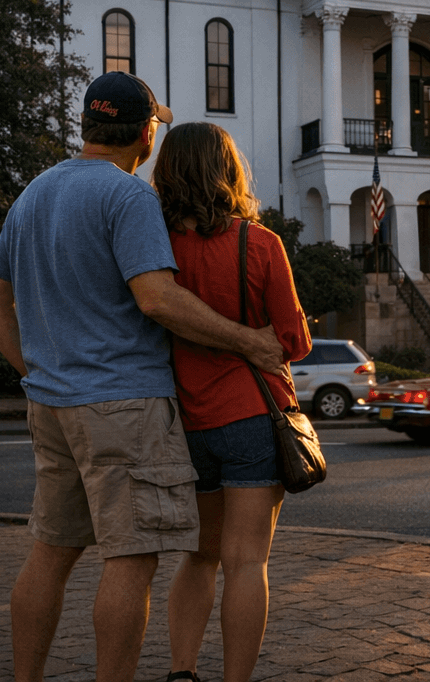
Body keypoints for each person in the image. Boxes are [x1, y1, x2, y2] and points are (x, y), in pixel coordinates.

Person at [0, 73, 286, 682]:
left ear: (87, 125)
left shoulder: (36, 191)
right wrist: (249, 340)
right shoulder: (128, 196)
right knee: (133, 558)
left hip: (51, 406)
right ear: (145, 132)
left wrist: (37, 370)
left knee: (50, 554)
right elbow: (157, 300)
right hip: (124, 405)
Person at [155, 122, 312, 682]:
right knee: (248, 562)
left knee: (198, 556)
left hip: (186, 422)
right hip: (252, 415)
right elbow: (293, 342)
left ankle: (180, 671)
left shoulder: (155, 250)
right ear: (229, 171)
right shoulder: (260, 244)